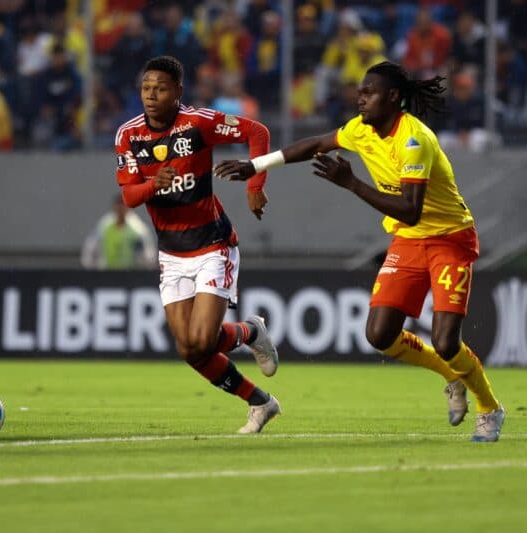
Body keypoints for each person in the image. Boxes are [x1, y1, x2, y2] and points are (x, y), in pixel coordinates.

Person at [215, 61, 505, 442]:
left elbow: (410, 208)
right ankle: (452, 377)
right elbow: (314, 145)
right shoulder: (361, 129)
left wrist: (351, 183)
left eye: (369, 92)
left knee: (447, 341)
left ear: (393, 98)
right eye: (360, 91)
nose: (360, 98)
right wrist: (256, 165)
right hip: (409, 239)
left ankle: (490, 408)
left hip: (450, 238)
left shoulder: (414, 140)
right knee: (379, 335)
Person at [114, 55, 280, 434]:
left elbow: (258, 132)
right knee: (190, 350)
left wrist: (255, 185)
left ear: (177, 92)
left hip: (212, 244)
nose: (151, 95)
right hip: (171, 253)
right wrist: (153, 184)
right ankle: (260, 401)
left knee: (203, 340)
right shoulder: (128, 135)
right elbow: (128, 197)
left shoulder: (198, 124)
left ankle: (251, 332)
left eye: (160, 88)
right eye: (146, 88)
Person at [80, 193, 156, 270]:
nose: (121, 208)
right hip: (106, 273)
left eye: (123, 205)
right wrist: (91, 268)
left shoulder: (138, 229)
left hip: (130, 275)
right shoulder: (104, 226)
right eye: (119, 205)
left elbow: (148, 255)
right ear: (114, 207)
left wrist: (142, 266)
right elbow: (90, 247)